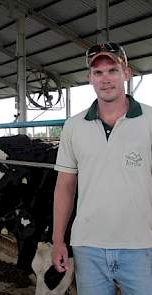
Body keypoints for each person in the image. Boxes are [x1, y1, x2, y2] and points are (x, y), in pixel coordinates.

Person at [51, 42, 152, 295]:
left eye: (112, 70)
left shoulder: (150, 120)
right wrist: (58, 240)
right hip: (88, 247)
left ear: (126, 74)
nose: (105, 79)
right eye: (98, 73)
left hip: (141, 246)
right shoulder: (73, 126)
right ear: (90, 79)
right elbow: (65, 185)